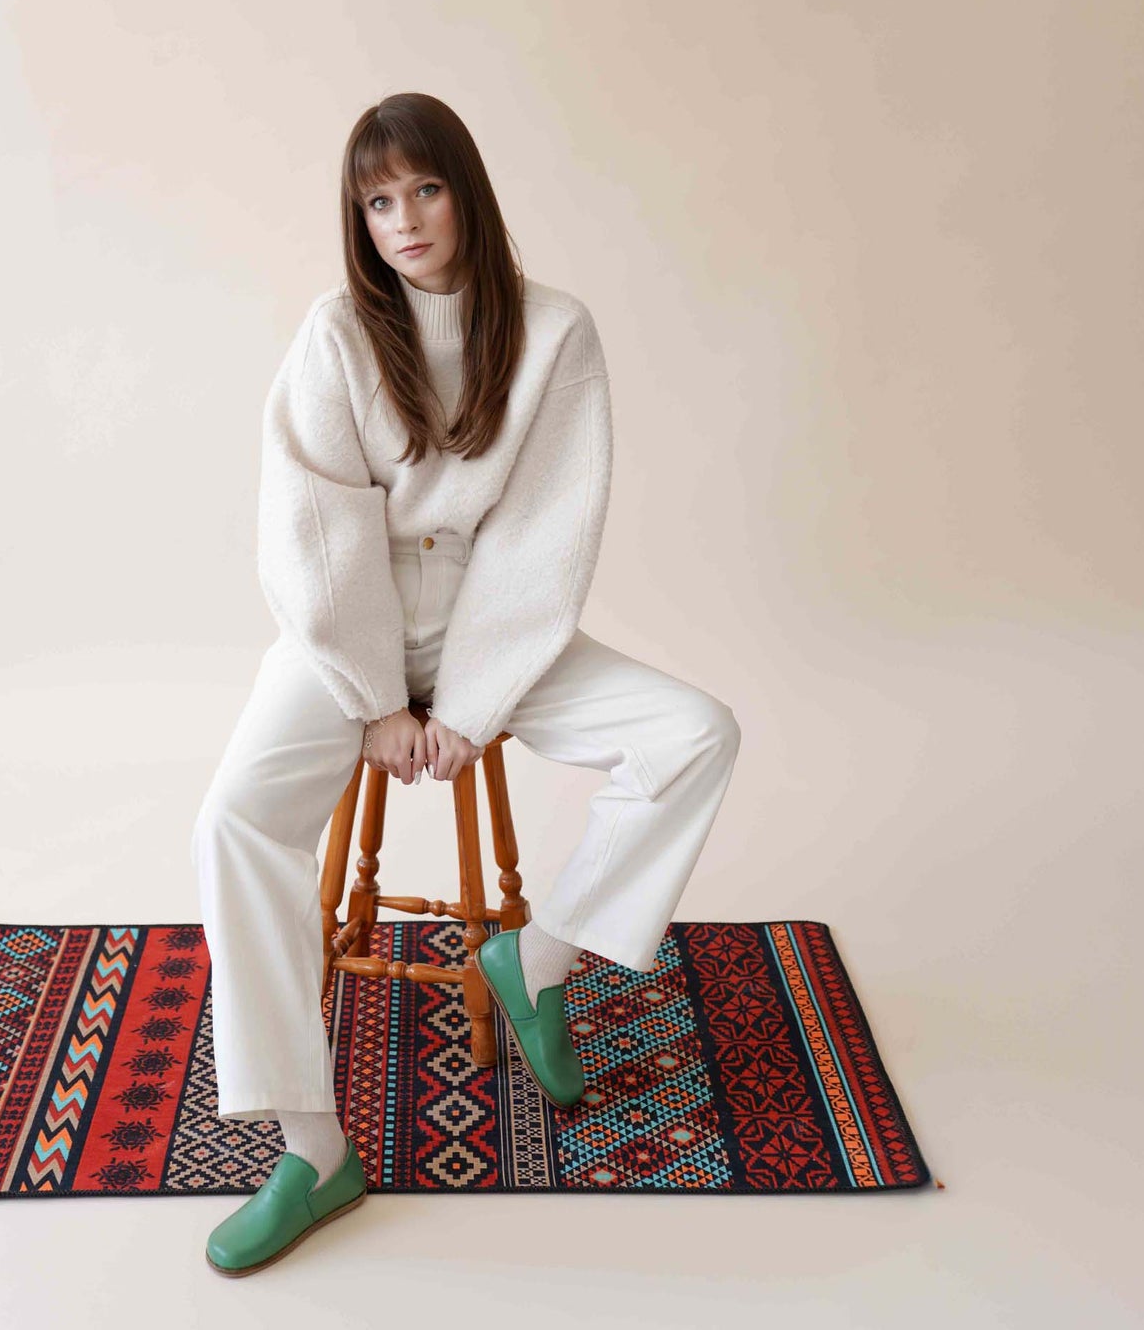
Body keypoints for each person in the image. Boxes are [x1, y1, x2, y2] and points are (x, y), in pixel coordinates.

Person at [193, 92, 741, 1276]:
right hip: (346, 646)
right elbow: (314, 529)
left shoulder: (553, 333)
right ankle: (311, 1146)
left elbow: (541, 538)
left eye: (423, 189)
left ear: (466, 193)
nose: (402, 219)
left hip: (499, 640)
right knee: (235, 817)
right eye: (376, 200)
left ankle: (534, 960)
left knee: (693, 732)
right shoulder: (335, 335)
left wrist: (472, 707)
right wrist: (373, 698)